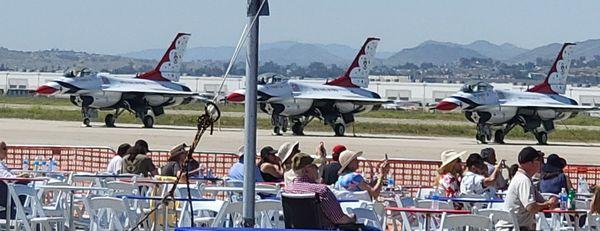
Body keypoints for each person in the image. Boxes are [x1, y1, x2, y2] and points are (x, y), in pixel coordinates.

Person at [284, 153, 380, 231]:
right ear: (306, 170)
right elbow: (339, 219)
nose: (318, 169)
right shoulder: (321, 190)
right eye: (315, 166)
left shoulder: (287, 190)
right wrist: (352, 218)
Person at [501, 146, 557, 231]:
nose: (540, 163)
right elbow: (531, 207)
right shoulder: (524, 180)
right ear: (530, 163)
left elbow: (539, 200)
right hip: (515, 228)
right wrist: (548, 203)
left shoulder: (521, 178)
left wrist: (549, 201)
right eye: (538, 160)